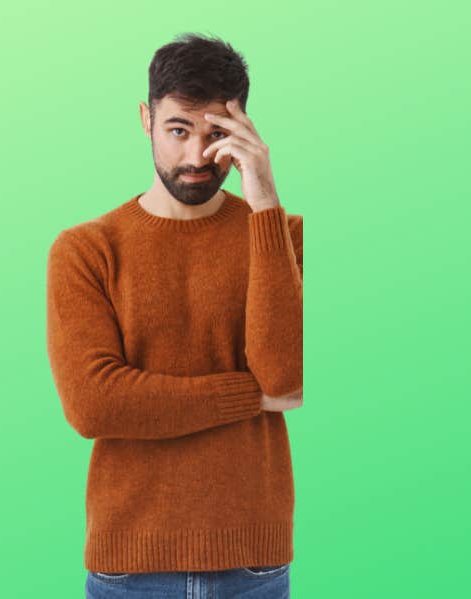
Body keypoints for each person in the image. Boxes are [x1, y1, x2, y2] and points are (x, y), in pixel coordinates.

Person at [45, 33, 302, 598]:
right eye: (179, 130)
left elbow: (286, 379)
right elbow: (94, 404)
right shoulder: (87, 250)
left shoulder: (284, 236)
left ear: (244, 132)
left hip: (253, 564)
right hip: (130, 567)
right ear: (146, 119)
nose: (195, 157)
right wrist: (246, 395)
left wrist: (265, 200)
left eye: (216, 135)